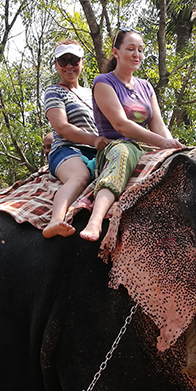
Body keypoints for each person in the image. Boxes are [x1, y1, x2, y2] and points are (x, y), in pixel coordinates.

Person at [81, 28, 183, 242]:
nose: (137, 54)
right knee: (123, 154)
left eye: (140, 50)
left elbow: (159, 125)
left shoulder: (146, 87)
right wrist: (162, 142)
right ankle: (96, 219)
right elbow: (121, 125)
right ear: (116, 52)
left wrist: (173, 146)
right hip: (117, 146)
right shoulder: (103, 82)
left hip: (147, 147)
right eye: (130, 49)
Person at [42, 40, 109, 238]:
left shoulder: (93, 93)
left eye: (74, 60)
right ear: (56, 65)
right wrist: (94, 140)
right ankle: (55, 221)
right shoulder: (53, 91)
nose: (69, 66)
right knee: (80, 177)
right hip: (68, 149)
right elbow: (61, 127)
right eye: (63, 61)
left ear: (82, 62)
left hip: (98, 151)